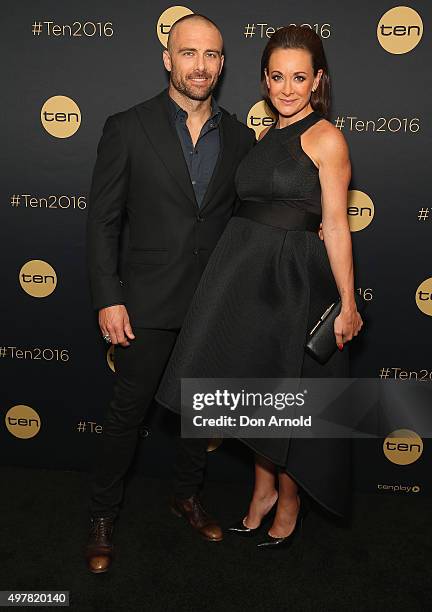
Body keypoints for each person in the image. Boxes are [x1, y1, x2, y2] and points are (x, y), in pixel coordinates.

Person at [156, 25, 363, 549]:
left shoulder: (326, 137)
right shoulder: (264, 135)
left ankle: (288, 499)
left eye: (299, 77)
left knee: (289, 396)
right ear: (264, 81)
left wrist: (348, 303)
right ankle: (263, 487)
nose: (288, 89)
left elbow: (335, 224)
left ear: (318, 80)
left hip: (293, 284)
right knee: (257, 390)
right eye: (277, 77)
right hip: (247, 282)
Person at [85, 13, 256, 572]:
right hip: (147, 304)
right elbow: (103, 222)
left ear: (223, 64)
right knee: (125, 415)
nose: (200, 65)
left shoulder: (240, 136)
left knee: (198, 415)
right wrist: (109, 296)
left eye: (211, 55)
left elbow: (251, 216)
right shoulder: (127, 127)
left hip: (213, 303)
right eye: (189, 53)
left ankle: (186, 493)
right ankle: (103, 515)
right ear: (168, 58)